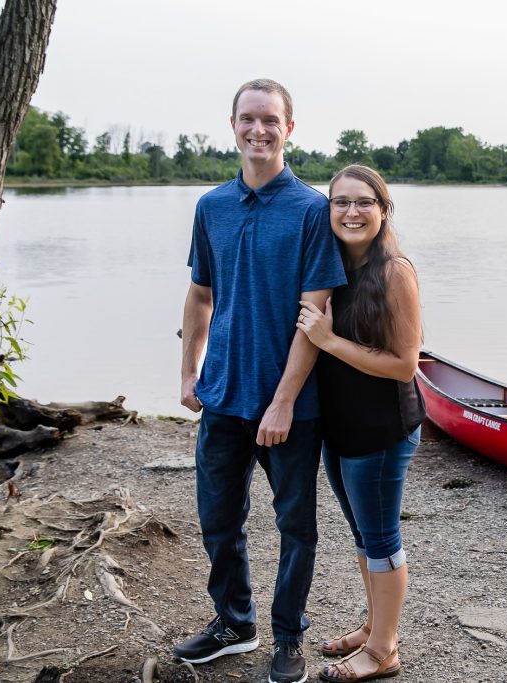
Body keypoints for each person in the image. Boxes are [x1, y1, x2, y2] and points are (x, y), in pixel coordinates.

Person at [174, 79, 346, 683]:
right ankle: (233, 624)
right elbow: (200, 294)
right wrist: (190, 370)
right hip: (222, 396)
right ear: (233, 125)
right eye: (248, 119)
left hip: (291, 408)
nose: (259, 130)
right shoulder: (211, 207)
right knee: (218, 519)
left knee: (295, 526)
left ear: (288, 129)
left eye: (270, 120)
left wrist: (282, 402)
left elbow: (314, 314)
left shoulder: (312, 211)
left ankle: (287, 636)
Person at [296, 165, 425, 682]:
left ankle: (383, 650)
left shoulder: (394, 272)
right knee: (361, 535)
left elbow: (404, 365)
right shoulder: (328, 268)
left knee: (381, 537)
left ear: (383, 210)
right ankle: (375, 627)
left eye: (363, 202)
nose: (351, 212)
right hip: (341, 426)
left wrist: (329, 342)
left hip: (383, 427)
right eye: (340, 202)